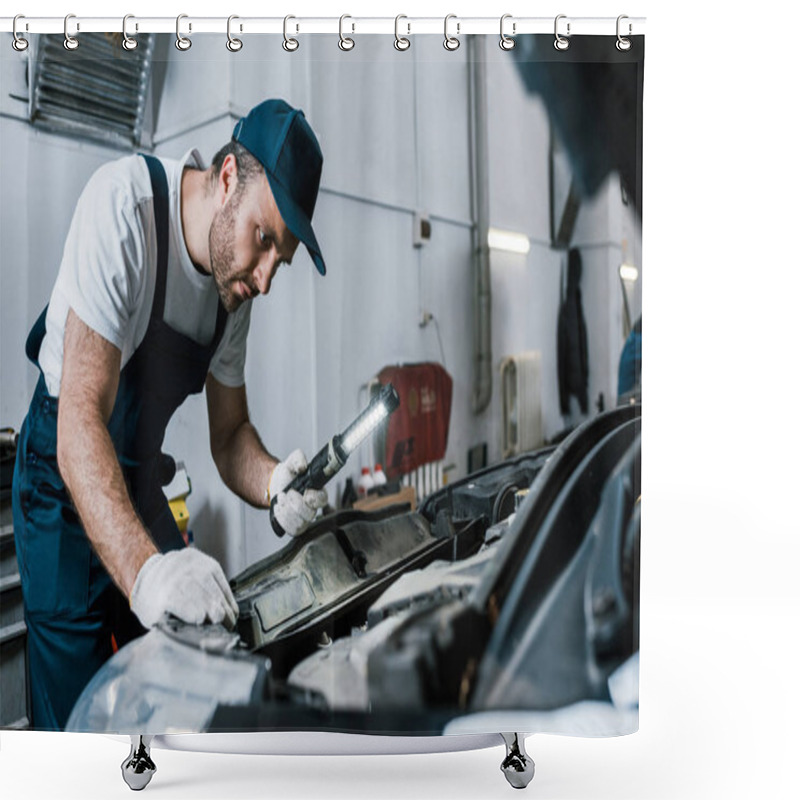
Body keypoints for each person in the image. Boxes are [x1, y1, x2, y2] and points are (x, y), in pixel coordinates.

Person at [11, 99, 329, 731]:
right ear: (230, 178)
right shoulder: (124, 209)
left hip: (135, 482)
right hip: (61, 485)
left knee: (188, 667)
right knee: (78, 717)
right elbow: (79, 422)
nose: (265, 278)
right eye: (264, 240)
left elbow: (231, 435)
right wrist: (146, 573)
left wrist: (273, 483)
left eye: (279, 261)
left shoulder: (233, 292)